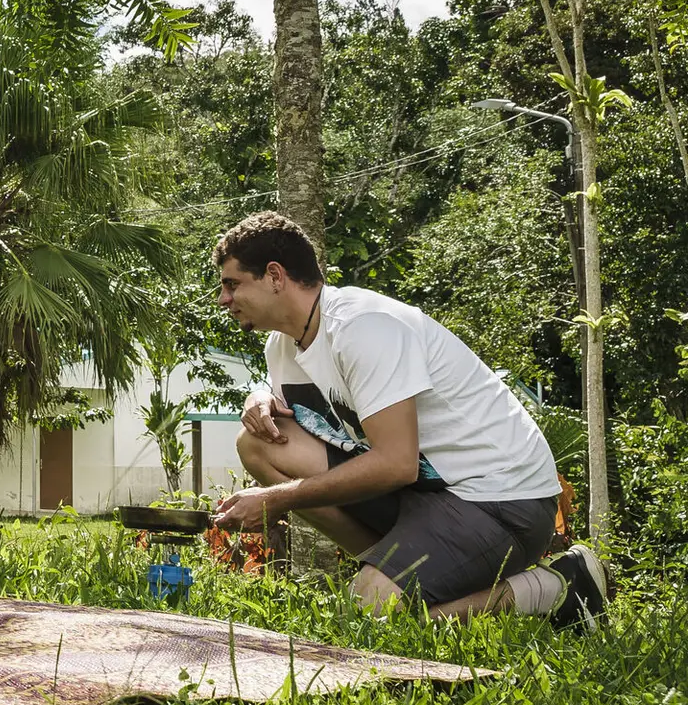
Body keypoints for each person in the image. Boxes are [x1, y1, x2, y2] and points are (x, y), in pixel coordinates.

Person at [208, 211, 610, 629]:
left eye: (232, 284)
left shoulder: (364, 326)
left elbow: (396, 462)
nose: (224, 299)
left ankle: (548, 588)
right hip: (424, 495)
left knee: (367, 613)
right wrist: (260, 397)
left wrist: (276, 499)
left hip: (500, 501)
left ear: (275, 276)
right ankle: (393, 567)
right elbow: (307, 419)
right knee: (256, 444)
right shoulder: (282, 347)